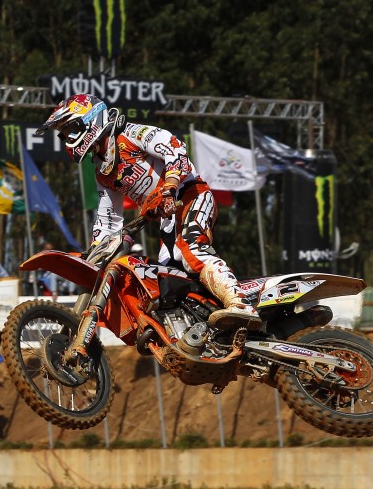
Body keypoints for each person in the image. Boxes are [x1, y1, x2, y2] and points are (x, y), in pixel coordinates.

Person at [37, 94, 259, 329]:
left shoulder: (131, 134)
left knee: (190, 248)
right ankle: (203, 329)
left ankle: (240, 303)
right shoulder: (103, 172)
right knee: (166, 279)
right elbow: (108, 220)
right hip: (167, 218)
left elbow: (175, 148)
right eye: (64, 135)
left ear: (91, 119)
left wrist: (170, 186)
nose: (68, 139)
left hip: (191, 195)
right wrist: (95, 252)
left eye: (71, 130)